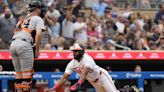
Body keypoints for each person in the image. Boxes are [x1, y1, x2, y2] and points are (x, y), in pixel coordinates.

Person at [45, 43, 119, 92]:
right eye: (73, 51)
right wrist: (53, 89)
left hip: (102, 77)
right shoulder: (72, 63)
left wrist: (78, 84)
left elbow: (84, 74)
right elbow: (64, 78)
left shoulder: (87, 58)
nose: (74, 53)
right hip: (94, 82)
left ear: (81, 51)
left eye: (76, 51)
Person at [9, 0, 46, 92]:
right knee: (26, 76)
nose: (42, 10)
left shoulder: (21, 20)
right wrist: (37, 50)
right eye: (40, 9)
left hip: (13, 44)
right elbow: (38, 34)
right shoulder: (38, 18)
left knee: (19, 75)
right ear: (37, 9)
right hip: (24, 44)